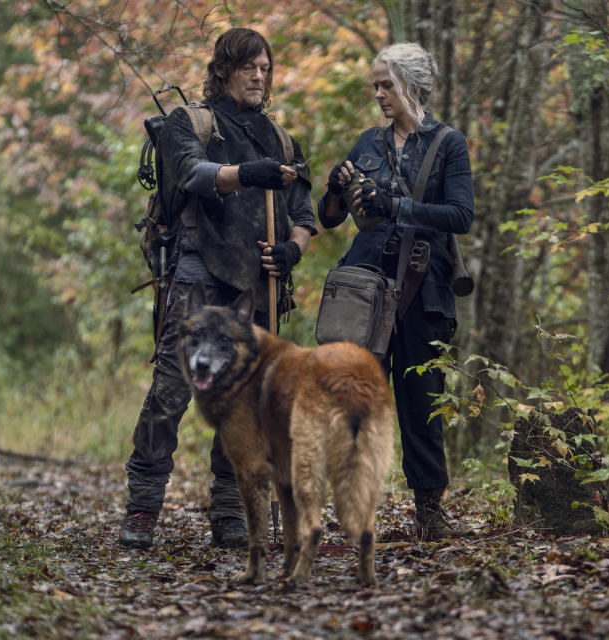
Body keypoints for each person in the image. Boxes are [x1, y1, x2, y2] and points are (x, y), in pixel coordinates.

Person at [119, 27, 316, 549]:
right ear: (225, 68)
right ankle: (142, 506)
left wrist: (294, 247)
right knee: (170, 391)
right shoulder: (191, 122)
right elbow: (190, 174)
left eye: (265, 68)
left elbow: (304, 212)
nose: (259, 76)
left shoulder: (280, 139)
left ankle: (230, 510)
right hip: (197, 275)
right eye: (250, 66)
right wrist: (249, 174)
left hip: (258, 287)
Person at [317, 42, 474, 540]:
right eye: (375, 85)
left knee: (421, 403)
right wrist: (334, 188)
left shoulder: (448, 144)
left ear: (411, 83)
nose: (379, 93)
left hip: (423, 291)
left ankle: (429, 510)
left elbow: (460, 216)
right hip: (365, 290)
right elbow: (330, 219)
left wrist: (398, 207)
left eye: (386, 84)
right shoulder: (367, 142)